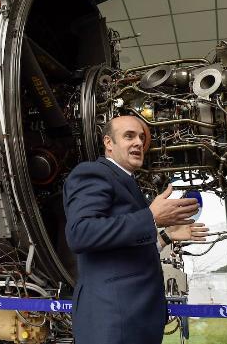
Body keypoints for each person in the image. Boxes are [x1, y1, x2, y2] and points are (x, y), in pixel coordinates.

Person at [63, 115, 209, 344]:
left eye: (141, 137)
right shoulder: (92, 173)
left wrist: (166, 236)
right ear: (108, 143)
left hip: (135, 319)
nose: (139, 142)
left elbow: (122, 250)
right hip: (113, 321)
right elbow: (81, 233)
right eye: (129, 136)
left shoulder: (126, 181)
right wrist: (151, 216)